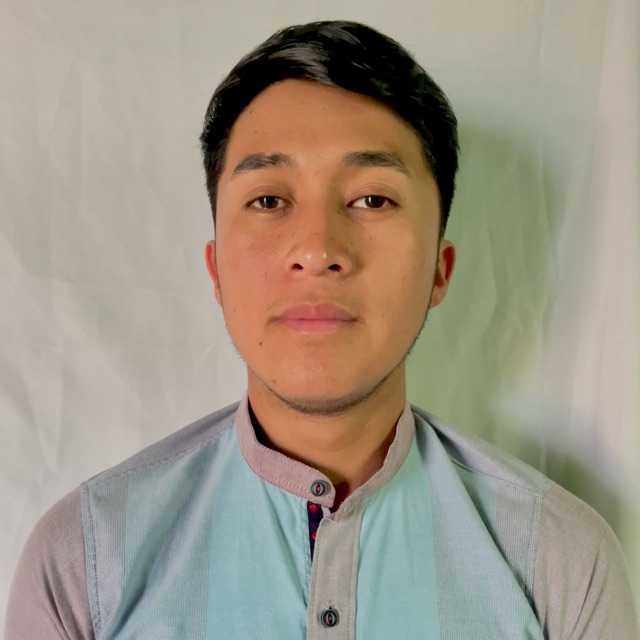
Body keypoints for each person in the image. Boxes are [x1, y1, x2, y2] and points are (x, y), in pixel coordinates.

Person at [5, 19, 638, 640]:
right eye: (269, 200)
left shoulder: (558, 563)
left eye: (372, 199)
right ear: (216, 269)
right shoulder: (83, 564)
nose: (317, 249)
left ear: (439, 271)